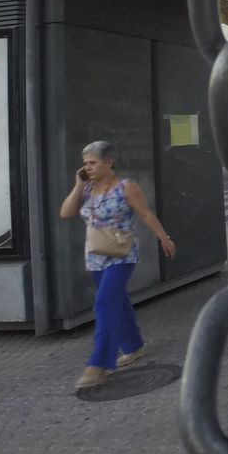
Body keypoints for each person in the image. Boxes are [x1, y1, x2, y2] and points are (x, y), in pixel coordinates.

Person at [58, 140, 175, 389]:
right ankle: (133, 345)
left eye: (93, 162)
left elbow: (146, 214)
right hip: (96, 256)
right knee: (117, 301)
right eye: (85, 163)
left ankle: (99, 363)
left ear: (109, 162)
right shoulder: (86, 189)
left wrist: (164, 238)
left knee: (104, 302)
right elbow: (66, 212)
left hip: (122, 255)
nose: (87, 167)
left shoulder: (126, 187)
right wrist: (78, 186)